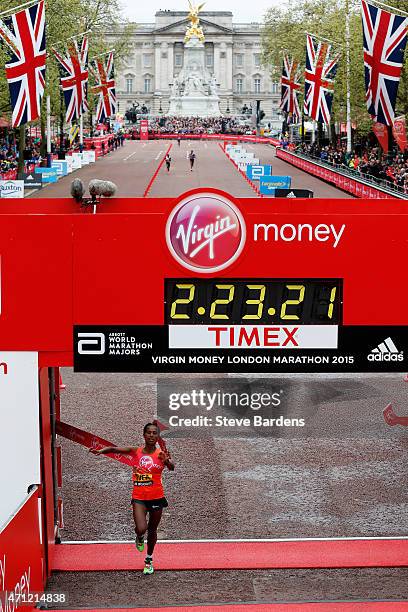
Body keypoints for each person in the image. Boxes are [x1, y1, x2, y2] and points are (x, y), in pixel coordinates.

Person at [89, 423, 174, 575]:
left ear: (157, 437)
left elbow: (172, 467)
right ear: (144, 435)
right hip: (139, 497)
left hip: (157, 497)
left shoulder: (162, 453)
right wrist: (101, 451)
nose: (151, 435)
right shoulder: (136, 451)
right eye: (148, 433)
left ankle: (148, 560)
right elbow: (115, 449)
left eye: (154, 433)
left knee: (153, 529)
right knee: (142, 528)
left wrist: (167, 461)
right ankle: (139, 536)